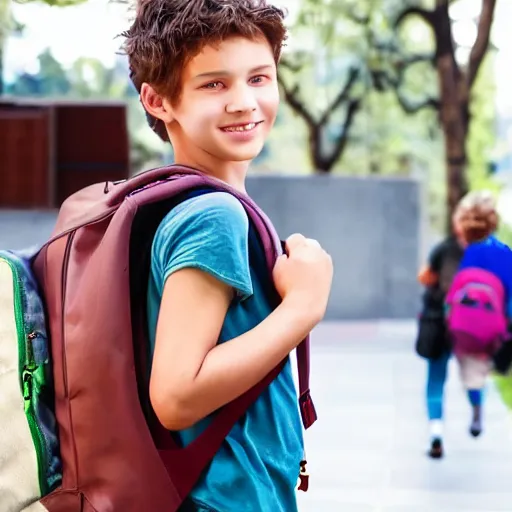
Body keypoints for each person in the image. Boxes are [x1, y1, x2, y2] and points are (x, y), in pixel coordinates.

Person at [123, 2, 333, 511]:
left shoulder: (163, 199)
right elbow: (176, 395)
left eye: (259, 78)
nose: (244, 102)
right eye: (214, 84)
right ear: (158, 100)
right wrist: (303, 308)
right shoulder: (213, 216)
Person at [448, 191, 512, 441]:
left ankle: (477, 404)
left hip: (471, 327)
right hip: (501, 324)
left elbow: (456, 292)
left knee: (473, 371)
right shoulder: (505, 252)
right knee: (489, 363)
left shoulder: (466, 254)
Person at [417, 205, 465, 459]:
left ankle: (436, 431)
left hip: (440, 322)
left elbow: (424, 277)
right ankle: (477, 408)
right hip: (473, 327)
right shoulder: (490, 252)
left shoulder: (444, 249)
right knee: (474, 375)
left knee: (436, 380)